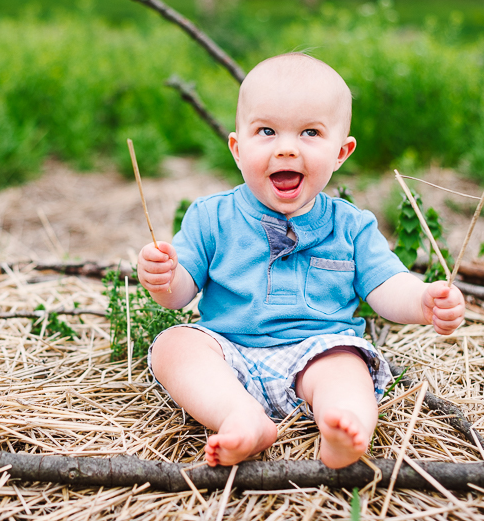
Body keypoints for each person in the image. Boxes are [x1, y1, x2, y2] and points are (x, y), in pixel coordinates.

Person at [137, 53, 465, 469]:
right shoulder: (211, 216)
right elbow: (178, 294)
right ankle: (240, 416)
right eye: (267, 131)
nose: (287, 149)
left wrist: (422, 300)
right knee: (175, 345)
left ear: (341, 152)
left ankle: (344, 426)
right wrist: (163, 278)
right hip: (229, 353)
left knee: (346, 368)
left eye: (310, 132)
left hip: (316, 352)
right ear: (238, 149)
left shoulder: (350, 225)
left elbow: (386, 285)